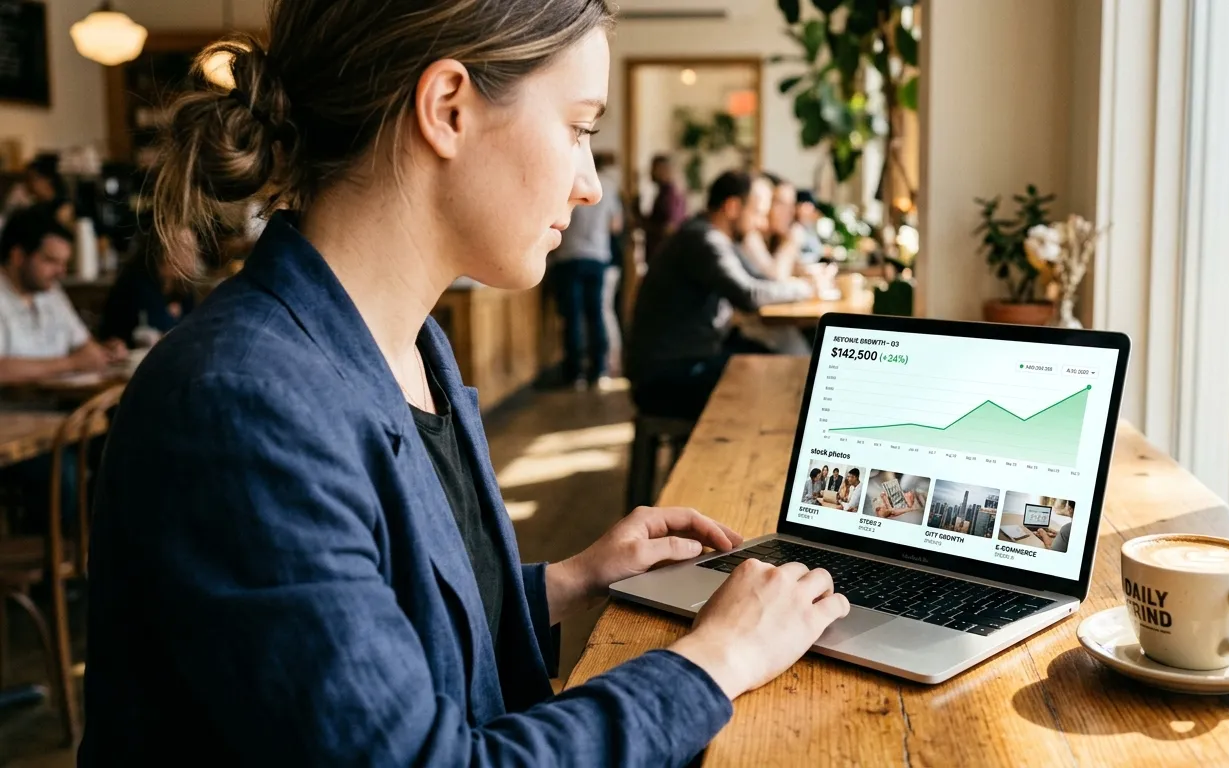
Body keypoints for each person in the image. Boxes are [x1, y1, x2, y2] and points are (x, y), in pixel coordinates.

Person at [80, 3, 849, 765]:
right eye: (579, 128)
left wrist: (569, 580)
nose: (587, 185)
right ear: (448, 108)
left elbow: (389, 625)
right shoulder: (239, 405)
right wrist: (716, 660)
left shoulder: (415, 346)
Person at [627, 171, 815, 420]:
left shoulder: (715, 238)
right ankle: (751, 454)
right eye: (756, 212)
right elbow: (748, 295)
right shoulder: (703, 239)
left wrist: (800, 282)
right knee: (781, 377)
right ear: (733, 207)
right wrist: (805, 288)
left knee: (785, 365)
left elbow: (762, 281)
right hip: (667, 376)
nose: (760, 223)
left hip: (688, 358)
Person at [0, 207, 125, 384]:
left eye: (64, 263)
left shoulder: (51, 291)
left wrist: (103, 351)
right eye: (51, 261)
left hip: (58, 403)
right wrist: (72, 363)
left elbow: (83, 343)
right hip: (14, 409)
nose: (61, 272)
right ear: (18, 256)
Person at [549, 152, 622, 387]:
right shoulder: (606, 189)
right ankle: (599, 369)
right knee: (596, 313)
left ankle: (576, 373)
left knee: (573, 316)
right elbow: (616, 225)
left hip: (569, 255)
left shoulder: (568, 179)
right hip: (597, 256)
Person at [97, 223, 197, 348]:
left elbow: (192, 329)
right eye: (187, 249)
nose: (194, 256)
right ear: (166, 251)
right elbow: (154, 328)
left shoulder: (183, 285)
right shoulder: (138, 281)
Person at [642, 154, 687, 263]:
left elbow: (670, 228)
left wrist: (644, 224)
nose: (651, 173)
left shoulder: (670, 195)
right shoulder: (664, 192)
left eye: (654, 169)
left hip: (664, 258)